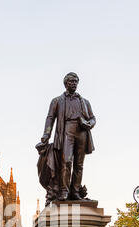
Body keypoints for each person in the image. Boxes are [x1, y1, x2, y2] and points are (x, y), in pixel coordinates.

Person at [39, 72, 96, 201]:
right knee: (66, 161)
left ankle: (75, 191)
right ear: (66, 84)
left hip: (82, 131)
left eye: (76, 81)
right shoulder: (57, 101)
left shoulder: (84, 102)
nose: (74, 84)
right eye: (71, 81)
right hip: (66, 131)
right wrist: (46, 135)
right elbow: (50, 118)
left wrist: (89, 124)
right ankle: (64, 191)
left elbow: (93, 118)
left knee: (79, 164)